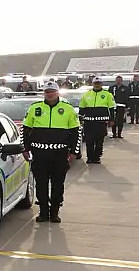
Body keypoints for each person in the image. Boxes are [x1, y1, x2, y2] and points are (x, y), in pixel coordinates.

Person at [22, 83, 79, 222]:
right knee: (41, 184)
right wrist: (25, 148)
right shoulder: (35, 108)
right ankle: (43, 212)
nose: (49, 94)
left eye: (52, 91)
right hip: (39, 154)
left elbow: (75, 133)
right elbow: (25, 130)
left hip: (59, 154)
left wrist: (73, 152)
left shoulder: (68, 109)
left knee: (57, 185)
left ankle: (54, 212)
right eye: (47, 92)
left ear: (57, 92)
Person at [79, 77, 114, 163]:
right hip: (89, 123)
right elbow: (82, 108)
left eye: (99, 83)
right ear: (92, 84)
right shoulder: (86, 95)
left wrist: (112, 120)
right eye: (95, 83)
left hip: (101, 123)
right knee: (89, 141)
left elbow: (111, 108)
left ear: (101, 84)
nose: (97, 85)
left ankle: (97, 157)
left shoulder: (108, 95)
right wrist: (80, 118)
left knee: (99, 141)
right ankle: (90, 158)